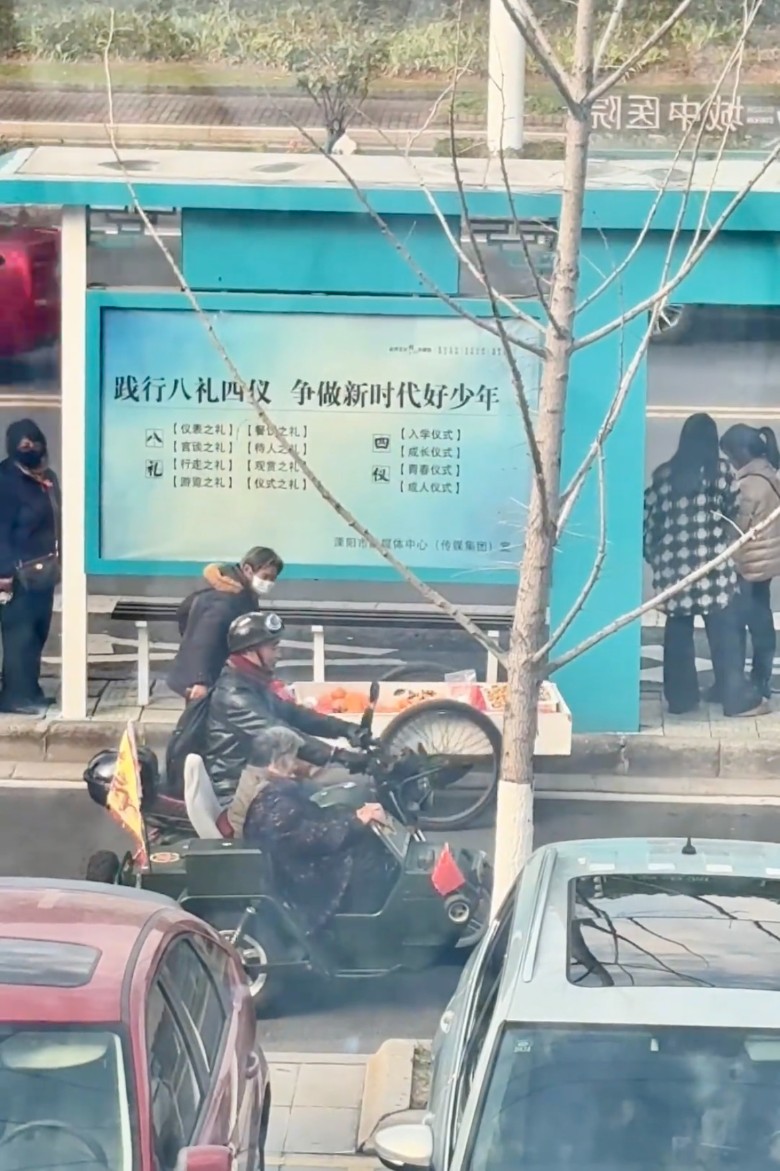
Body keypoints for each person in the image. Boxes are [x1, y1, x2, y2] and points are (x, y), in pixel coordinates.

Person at [643, 412, 766, 718]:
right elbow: (732, 513)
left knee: (678, 633)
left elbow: (650, 523)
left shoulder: (664, 476)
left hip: (675, 571)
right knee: (725, 635)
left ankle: (681, 698)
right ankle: (735, 698)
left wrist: (658, 558)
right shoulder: (721, 473)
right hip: (713, 570)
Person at [203, 610, 368, 799]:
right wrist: (336, 755)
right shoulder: (234, 694)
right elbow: (280, 733)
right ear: (250, 650)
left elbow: (294, 715)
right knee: (337, 799)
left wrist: (345, 729)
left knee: (339, 792)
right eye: (273, 648)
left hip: (260, 779)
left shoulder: (251, 682)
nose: (279, 654)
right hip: (237, 791)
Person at [242, 724, 388, 930]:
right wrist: (355, 822)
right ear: (278, 761)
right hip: (297, 877)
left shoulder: (275, 789)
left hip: (295, 861)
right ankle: (365, 930)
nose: (297, 763)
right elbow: (309, 838)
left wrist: (354, 817)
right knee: (368, 860)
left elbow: (310, 823)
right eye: (293, 757)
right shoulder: (276, 801)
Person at [167, 546, 283, 702]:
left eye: (272, 579)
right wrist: (201, 681)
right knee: (200, 715)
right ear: (247, 570)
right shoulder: (226, 598)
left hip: (212, 672)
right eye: (265, 576)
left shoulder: (241, 592)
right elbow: (205, 639)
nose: (268, 583)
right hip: (203, 678)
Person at [0, 419, 60, 715]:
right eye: (22, 443)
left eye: (33, 441)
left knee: (37, 633)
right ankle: (14, 696)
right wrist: (3, 573)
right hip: (16, 574)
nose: (29, 447)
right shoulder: (5, 480)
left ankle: (30, 690)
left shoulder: (47, 478)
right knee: (19, 636)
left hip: (43, 573)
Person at [719, 423, 780, 702]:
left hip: (747, 566)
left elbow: (735, 529)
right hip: (766, 563)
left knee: (737, 623)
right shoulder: (769, 473)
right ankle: (761, 677)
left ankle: (740, 683)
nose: (730, 461)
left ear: (742, 452)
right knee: (761, 618)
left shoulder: (748, 486)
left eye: (730, 455)